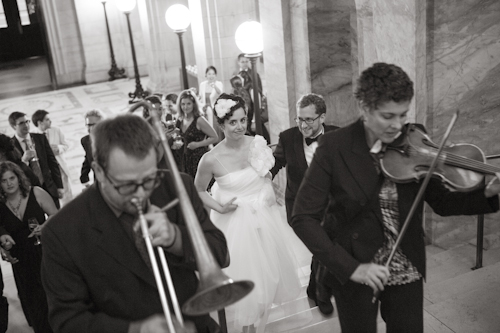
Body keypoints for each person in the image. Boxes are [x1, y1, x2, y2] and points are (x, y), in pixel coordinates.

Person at [291, 62, 500, 332]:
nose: (398, 125)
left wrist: (488, 194)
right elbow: (302, 217)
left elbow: (443, 202)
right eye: (388, 116)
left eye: (403, 115)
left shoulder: (415, 138)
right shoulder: (334, 147)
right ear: (365, 108)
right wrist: (351, 267)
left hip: (406, 264)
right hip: (357, 266)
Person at [41, 115, 228, 333]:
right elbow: (67, 321)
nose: (141, 193)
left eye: (149, 179)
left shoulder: (176, 186)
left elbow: (220, 254)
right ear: (99, 171)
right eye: (127, 185)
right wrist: (135, 330)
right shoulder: (63, 231)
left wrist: (177, 237)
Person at [194, 93, 301, 332]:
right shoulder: (210, 159)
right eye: (233, 122)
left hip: (264, 220)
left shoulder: (257, 144)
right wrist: (219, 206)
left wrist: (267, 190)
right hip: (234, 225)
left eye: (243, 120)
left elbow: (266, 177)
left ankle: (256, 325)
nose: (240, 126)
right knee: (245, 282)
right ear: (220, 125)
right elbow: (198, 191)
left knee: (268, 278)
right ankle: (246, 327)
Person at [270, 93, 338, 315]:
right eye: (300, 119)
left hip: (331, 206)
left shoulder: (338, 136)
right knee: (322, 246)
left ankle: (316, 288)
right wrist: (255, 182)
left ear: (322, 117)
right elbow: (275, 164)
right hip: (300, 209)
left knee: (325, 247)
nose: (303, 125)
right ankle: (322, 291)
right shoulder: (288, 138)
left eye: (309, 119)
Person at [0, 161, 58, 333]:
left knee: (53, 300)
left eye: (12, 178)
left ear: (19, 178)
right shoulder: (0, 205)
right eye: (4, 180)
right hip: (21, 262)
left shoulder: (36, 193)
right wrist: (3, 248)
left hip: (45, 255)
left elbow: (57, 216)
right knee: (35, 307)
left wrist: (45, 226)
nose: (9, 183)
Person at [9, 112, 63, 209]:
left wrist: (59, 186)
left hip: (49, 186)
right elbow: (11, 171)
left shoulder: (40, 138)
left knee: (57, 218)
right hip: (28, 191)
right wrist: (24, 160)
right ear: (13, 126)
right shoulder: (10, 145)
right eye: (21, 123)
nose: (26, 125)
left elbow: (52, 163)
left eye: (27, 121)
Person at [31, 110, 73, 204]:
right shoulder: (33, 135)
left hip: (59, 166)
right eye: (47, 119)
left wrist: (59, 148)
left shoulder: (56, 130)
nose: (50, 121)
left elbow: (66, 145)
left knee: (66, 193)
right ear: (39, 122)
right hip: (45, 170)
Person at [175, 89, 218, 179]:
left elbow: (215, 137)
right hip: (186, 159)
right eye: (183, 104)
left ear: (194, 104)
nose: (185, 107)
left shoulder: (199, 120)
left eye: (188, 104)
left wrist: (198, 144)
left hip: (199, 159)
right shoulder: (180, 120)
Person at [80, 109, 105, 189]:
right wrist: (84, 177)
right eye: (88, 125)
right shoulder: (85, 141)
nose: (90, 128)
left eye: (94, 125)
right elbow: (88, 158)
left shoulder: (113, 139)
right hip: (99, 183)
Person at [199, 66, 224, 141]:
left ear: (216, 75)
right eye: (209, 74)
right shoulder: (202, 84)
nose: (211, 76)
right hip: (204, 109)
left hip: (214, 109)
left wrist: (214, 86)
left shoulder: (218, 84)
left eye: (213, 74)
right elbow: (201, 97)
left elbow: (220, 93)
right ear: (206, 75)